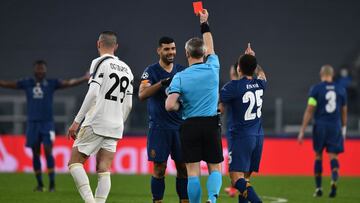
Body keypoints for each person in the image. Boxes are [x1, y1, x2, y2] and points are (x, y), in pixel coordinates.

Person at [0, 60, 89, 192]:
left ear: (45, 71)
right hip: (32, 124)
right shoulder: (27, 83)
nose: (40, 71)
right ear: (34, 70)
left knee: (48, 151)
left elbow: (69, 83)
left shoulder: (51, 83)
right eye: (38, 69)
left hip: (47, 124)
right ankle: (40, 184)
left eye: (42, 69)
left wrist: (84, 78)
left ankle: (52, 184)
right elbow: (9, 84)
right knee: (35, 153)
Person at [67, 31, 133, 203]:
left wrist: (77, 121)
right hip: (116, 124)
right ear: (116, 46)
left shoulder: (99, 62)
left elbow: (93, 93)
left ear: (98, 44)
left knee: (75, 163)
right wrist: (119, 122)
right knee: (104, 169)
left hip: (96, 121)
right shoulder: (127, 69)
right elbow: (129, 104)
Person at [166, 9, 223, 203]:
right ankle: (213, 200)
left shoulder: (180, 77)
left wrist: (180, 105)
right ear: (204, 53)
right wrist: (204, 23)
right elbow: (211, 47)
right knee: (215, 167)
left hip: (189, 125)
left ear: (186, 53)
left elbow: (169, 105)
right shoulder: (213, 67)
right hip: (211, 123)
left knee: (192, 171)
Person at [138, 37, 188, 203]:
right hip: (159, 128)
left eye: (173, 48)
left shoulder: (182, 70)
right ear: (159, 50)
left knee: (183, 168)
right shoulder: (150, 71)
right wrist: (162, 83)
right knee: (159, 168)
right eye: (167, 49)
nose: (171, 52)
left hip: (181, 128)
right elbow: (142, 94)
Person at [219, 44, 266, 203]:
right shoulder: (260, 84)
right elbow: (262, 74)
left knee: (235, 179)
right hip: (258, 136)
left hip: (241, 137)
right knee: (245, 179)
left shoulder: (232, 87)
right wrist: (253, 58)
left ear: (238, 68)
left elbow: (219, 108)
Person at [298, 64, 347, 198]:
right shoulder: (341, 90)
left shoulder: (316, 89)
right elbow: (344, 111)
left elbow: (310, 109)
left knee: (318, 156)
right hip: (335, 126)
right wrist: (343, 129)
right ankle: (333, 181)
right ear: (332, 74)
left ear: (321, 74)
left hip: (320, 126)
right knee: (333, 156)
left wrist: (302, 130)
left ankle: (319, 188)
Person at [223, 62, 240, 198]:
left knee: (234, 162)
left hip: (234, 131)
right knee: (242, 163)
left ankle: (236, 187)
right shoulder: (252, 85)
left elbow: (220, 109)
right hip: (252, 131)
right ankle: (235, 187)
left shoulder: (230, 88)